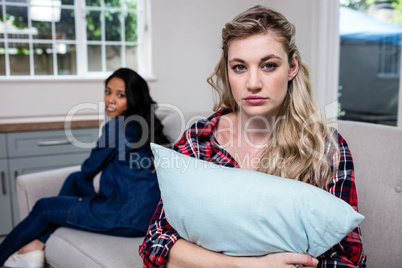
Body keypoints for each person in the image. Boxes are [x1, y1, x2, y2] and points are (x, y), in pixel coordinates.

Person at [139, 6, 366, 268]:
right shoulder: (199, 139)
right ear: (227, 71)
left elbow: (346, 258)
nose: (253, 83)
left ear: (292, 67)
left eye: (269, 65)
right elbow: (156, 243)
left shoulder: (326, 148)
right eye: (239, 67)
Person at [0, 68, 170, 267]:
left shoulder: (117, 127)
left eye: (120, 95)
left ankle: (10, 253)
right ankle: (39, 244)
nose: (111, 100)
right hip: (145, 215)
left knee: (43, 207)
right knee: (75, 179)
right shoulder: (148, 125)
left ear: (133, 98)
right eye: (108, 92)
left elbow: (89, 168)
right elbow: (85, 176)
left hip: (126, 216)